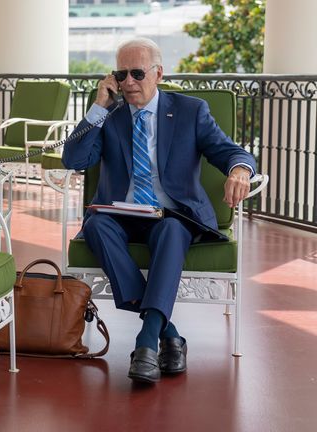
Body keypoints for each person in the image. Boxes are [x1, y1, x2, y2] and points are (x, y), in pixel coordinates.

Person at [61, 37, 256, 384]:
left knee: (171, 229)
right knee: (96, 226)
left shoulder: (190, 111)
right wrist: (98, 106)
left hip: (171, 214)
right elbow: (74, 159)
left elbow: (228, 151)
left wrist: (240, 169)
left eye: (137, 73)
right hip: (120, 214)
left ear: (158, 74)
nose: (129, 82)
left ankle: (146, 339)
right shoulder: (110, 116)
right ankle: (169, 336)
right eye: (121, 75)